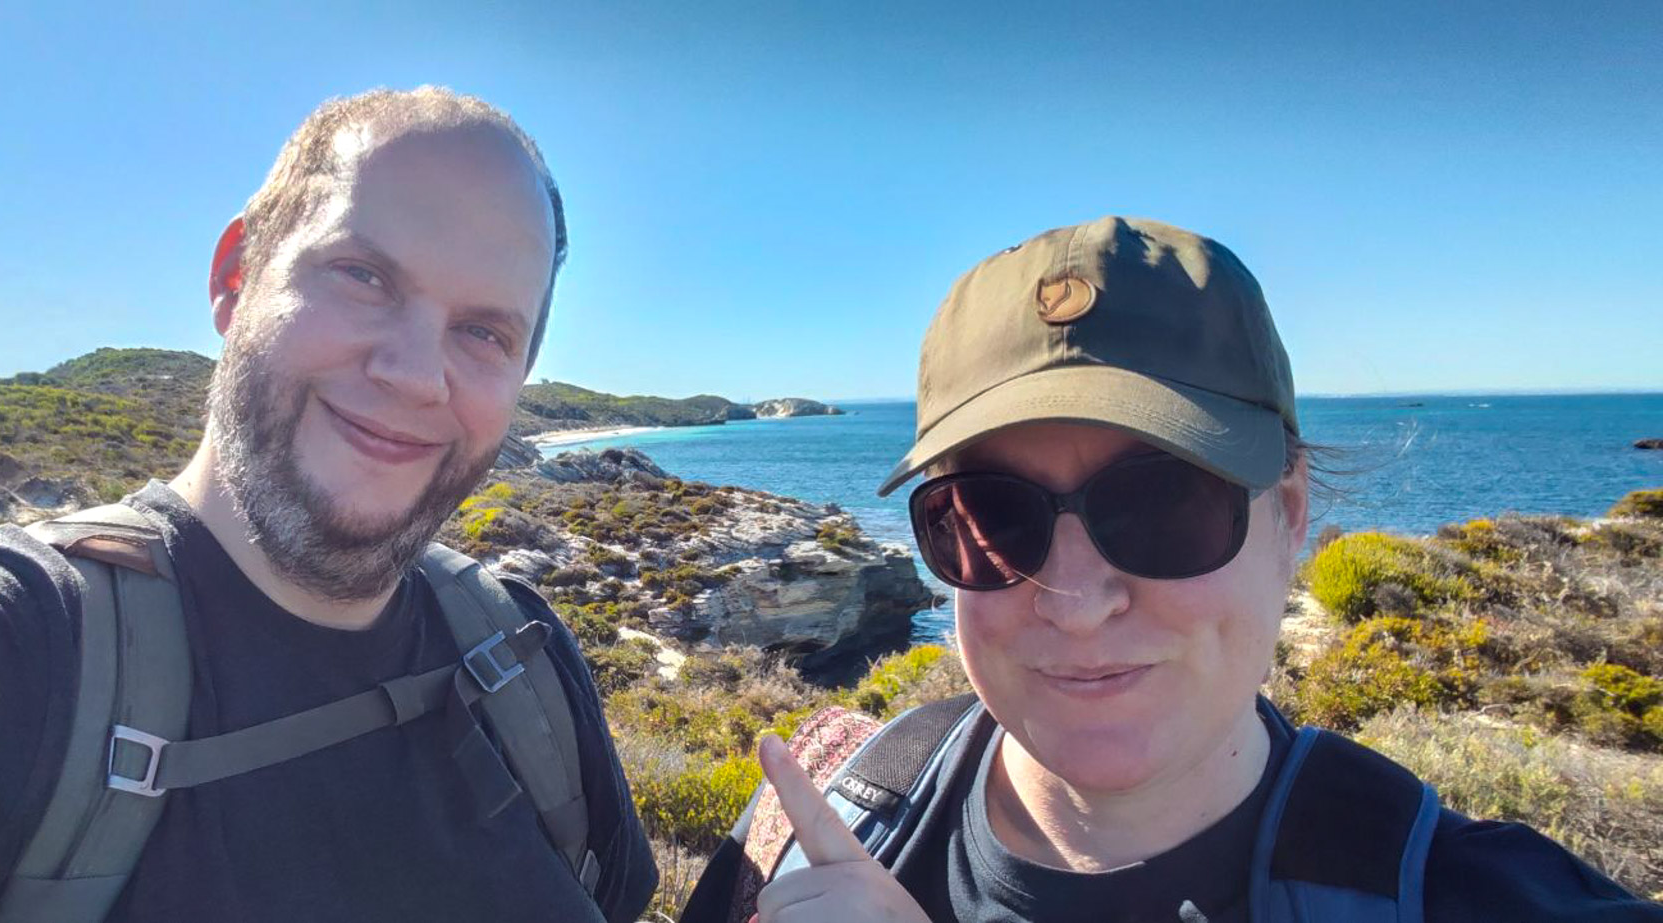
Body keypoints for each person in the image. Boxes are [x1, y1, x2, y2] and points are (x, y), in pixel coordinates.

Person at [0, 86, 656, 923]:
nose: (415, 373)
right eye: (362, 275)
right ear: (236, 276)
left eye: (483, 332)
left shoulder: (520, 655)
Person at [678, 216, 1661, 922]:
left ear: (1287, 516)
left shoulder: (1474, 895)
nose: (1075, 601)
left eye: (1161, 504)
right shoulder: (817, 830)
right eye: (991, 516)